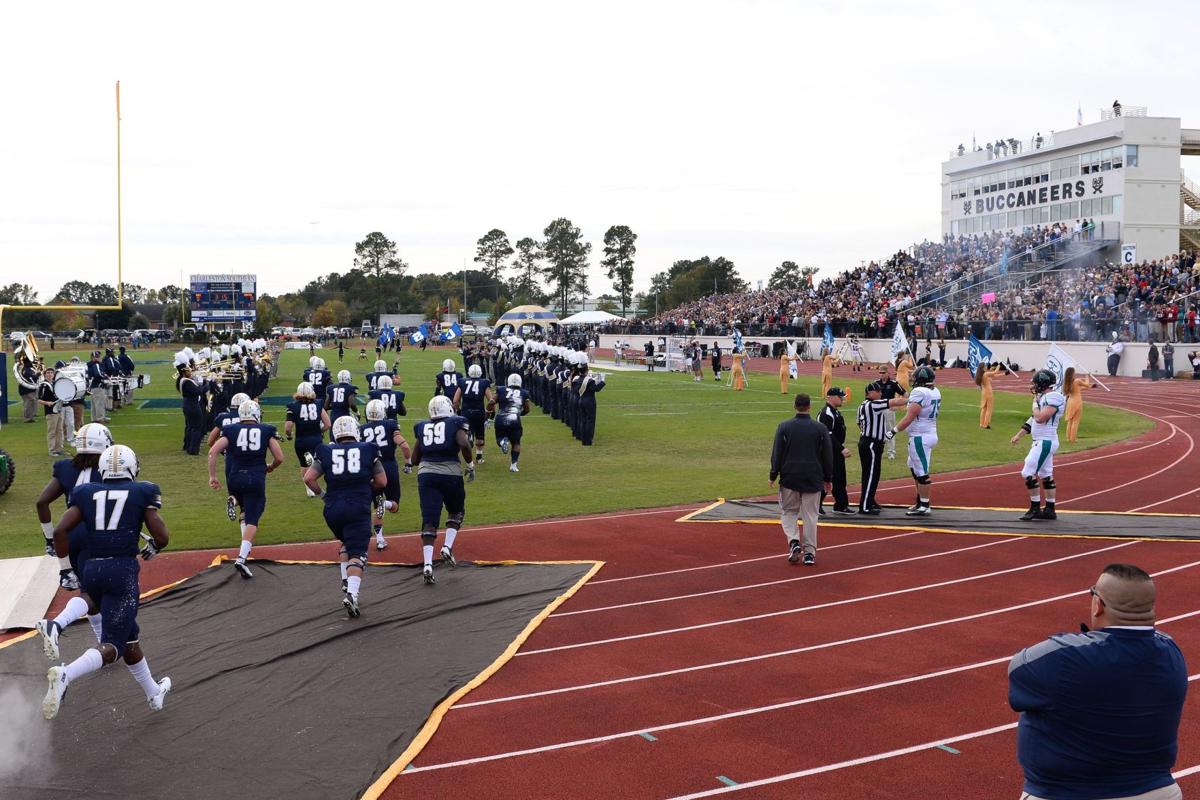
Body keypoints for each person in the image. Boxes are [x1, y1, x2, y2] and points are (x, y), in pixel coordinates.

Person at [1008, 564, 1186, 800]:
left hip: (1067, 793)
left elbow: (1018, 668)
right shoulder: (1171, 651)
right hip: (1159, 791)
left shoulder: (1063, 659)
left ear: (1098, 604)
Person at [41, 444, 172, 720]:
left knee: (125, 631)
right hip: (122, 571)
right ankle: (67, 674)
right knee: (115, 645)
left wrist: (65, 567)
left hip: (92, 567)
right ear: (132, 466)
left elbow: (62, 529)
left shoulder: (87, 492)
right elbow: (161, 536)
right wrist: (155, 546)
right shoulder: (142, 491)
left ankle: (153, 692)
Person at [303, 416, 386, 617]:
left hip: (332, 509)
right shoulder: (368, 449)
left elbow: (308, 478)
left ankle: (345, 580)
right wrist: (366, 490)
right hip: (357, 506)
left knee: (347, 542)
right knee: (358, 553)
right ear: (355, 431)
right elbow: (382, 482)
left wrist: (324, 496)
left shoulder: (325, 450)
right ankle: (352, 594)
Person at [207, 400, 284, 578]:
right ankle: (242, 557)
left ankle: (234, 500)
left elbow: (212, 451)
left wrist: (213, 476)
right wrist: (271, 466)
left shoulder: (232, 429)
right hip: (255, 477)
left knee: (244, 511)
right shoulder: (266, 430)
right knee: (253, 518)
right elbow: (279, 457)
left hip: (234, 478)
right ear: (257, 414)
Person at [35, 423, 113, 593]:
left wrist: (50, 540)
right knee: (101, 592)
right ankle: (63, 620)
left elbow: (42, 502)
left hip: (68, 533)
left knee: (85, 590)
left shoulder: (65, 467)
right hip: (99, 534)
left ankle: (65, 572)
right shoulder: (110, 470)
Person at [410, 396, 474, 584]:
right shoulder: (456, 422)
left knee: (429, 520)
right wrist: (470, 464)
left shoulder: (422, 426)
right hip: (450, 473)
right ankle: (447, 546)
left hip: (426, 475)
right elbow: (463, 443)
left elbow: (414, 459)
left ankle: (428, 565)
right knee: (456, 511)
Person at [769, 393, 832, 566]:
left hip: (790, 476)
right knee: (810, 516)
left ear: (794, 406)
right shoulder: (820, 428)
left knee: (789, 512)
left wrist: (773, 474)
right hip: (813, 477)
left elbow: (777, 453)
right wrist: (828, 478)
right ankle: (810, 552)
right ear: (809, 406)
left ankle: (794, 541)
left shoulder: (784, 427)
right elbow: (827, 455)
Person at [1010, 370, 1065, 521]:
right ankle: (1050, 509)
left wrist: (1034, 405)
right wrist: (1019, 435)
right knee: (1046, 475)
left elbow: (1040, 418)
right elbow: (1032, 420)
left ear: (1043, 383)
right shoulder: (1045, 397)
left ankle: (1035, 508)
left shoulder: (1054, 397)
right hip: (1043, 440)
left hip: (1045, 441)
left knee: (1027, 472)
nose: (1033, 386)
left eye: (1035, 383)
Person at [359, 399, 411, 552]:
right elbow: (404, 445)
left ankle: (380, 540)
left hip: (371, 469)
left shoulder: (361, 429)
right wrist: (408, 463)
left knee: (376, 504)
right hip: (389, 467)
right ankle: (386, 504)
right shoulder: (390, 425)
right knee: (394, 505)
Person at [891, 365, 939, 516]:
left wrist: (893, 431)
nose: (913, 380)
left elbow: (910, 416)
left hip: (920, 436)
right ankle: (920, 500)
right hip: (928, 433)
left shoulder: (919, 392)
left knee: (922, 472)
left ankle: (925, 505)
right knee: (913, 466)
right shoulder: (935, 390)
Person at [855, 382, 908, 515]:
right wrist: (912, 399)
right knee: (871, 475)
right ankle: (865, 506)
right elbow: (894, 402)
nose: (880, 393)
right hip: (871, 443)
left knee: (872, 474)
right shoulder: (873, 404)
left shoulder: (862, 406)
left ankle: (870, 500)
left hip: (868, 442)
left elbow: (858, 423)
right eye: (877, 391)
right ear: (870, 393)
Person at [284, 383, 330, 497]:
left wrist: (289, 436)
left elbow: (288, 427)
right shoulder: (318, 403)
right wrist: (320, 431)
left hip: (301, 440)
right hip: (316, 438)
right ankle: (317, 481)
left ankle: (308, 488)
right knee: (319, 463)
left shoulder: (292, 406)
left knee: (304, 464)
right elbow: (328, 424)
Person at [817, 388, 854, 515]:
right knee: (825, 478)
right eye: (840, 397)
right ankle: (816, 505)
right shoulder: (826, 413)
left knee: (839, 478)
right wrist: (841, 448)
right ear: (831, 397)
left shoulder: (835, 412)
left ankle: (841, 505)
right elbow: (827, 435)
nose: (842, 399)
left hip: (835, 451)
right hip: (827, 452)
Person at [489, 373, 531, 471]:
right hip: (515, 419)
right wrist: (520, 414)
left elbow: (492, 401)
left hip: (501, 417)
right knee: (516, 443)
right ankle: (513, 465)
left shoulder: (501, 389)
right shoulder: (524, 393)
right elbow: (527, 408)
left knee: (499, 438)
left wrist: (489, 415)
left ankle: (503, 441)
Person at [454, 364, 494, 463]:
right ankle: (479, 457)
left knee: (466, 430)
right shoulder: (484, 382)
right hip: (479, 411)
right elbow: (491, 400)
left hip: (466, 411)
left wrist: (458, 411)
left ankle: (469, 435)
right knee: (480, 435)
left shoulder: (462, 381)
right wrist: (491, 413)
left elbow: (455, 400)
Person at [877, 363, 907, 460]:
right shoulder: (876, 383)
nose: (881, 374)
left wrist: (898, 406)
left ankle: (891, 452)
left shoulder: (893, 383)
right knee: (877, 431)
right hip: (877, 409)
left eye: (883, 373)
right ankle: (878, 451)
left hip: (889, 410)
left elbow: (906, 394)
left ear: (888, 373)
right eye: (880, 373)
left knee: (890, 431)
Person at [37, 367, 67, 456]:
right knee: (52, 431)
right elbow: (38, 400)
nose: (50, 374)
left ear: (54, 375)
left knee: (60, 431)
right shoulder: (44, 385)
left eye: (51, 373)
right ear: (45, 374)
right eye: (48, 373)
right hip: (50, 412)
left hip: (58, 410)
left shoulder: (55, 384)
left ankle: (59, 449)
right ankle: (52, 450)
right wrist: (47, 403)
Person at [1062, 367, 1095, 443]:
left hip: (1070, 402)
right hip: (1077, 402)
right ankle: (1073, 439)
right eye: (1074, 372)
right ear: (1072, 373)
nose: (1075, 373)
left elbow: (1079, 388)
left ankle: (1068, 438)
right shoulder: (1077, 381)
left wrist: (1090, 387)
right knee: (1075, 421)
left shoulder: (1067, 383)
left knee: (1070, 421)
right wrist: (1087, 377)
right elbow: (1086, 384)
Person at [976, 362, 1003, 429]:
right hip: (988, 392)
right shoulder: (986, 374)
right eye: (985, 366)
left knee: (984, 408)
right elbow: (995, 372)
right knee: (989, 409)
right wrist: (999, 365)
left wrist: (1004, 374)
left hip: (984, 392)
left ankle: (981, 424)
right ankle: (986, 424)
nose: (986, 367)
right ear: (982, 368)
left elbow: (993, 375)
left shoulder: (981, 375)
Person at [85, 351, 109, 423]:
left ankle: (94, 418)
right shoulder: (96, 365)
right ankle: (100, 418)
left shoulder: (89, 365)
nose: (100, 358)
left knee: (94, 404)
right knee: (99, 403)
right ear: (94, 358)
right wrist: (104, 377)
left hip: (92, 386)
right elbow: (98, 374)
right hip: (98, 386)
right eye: (98, 357)